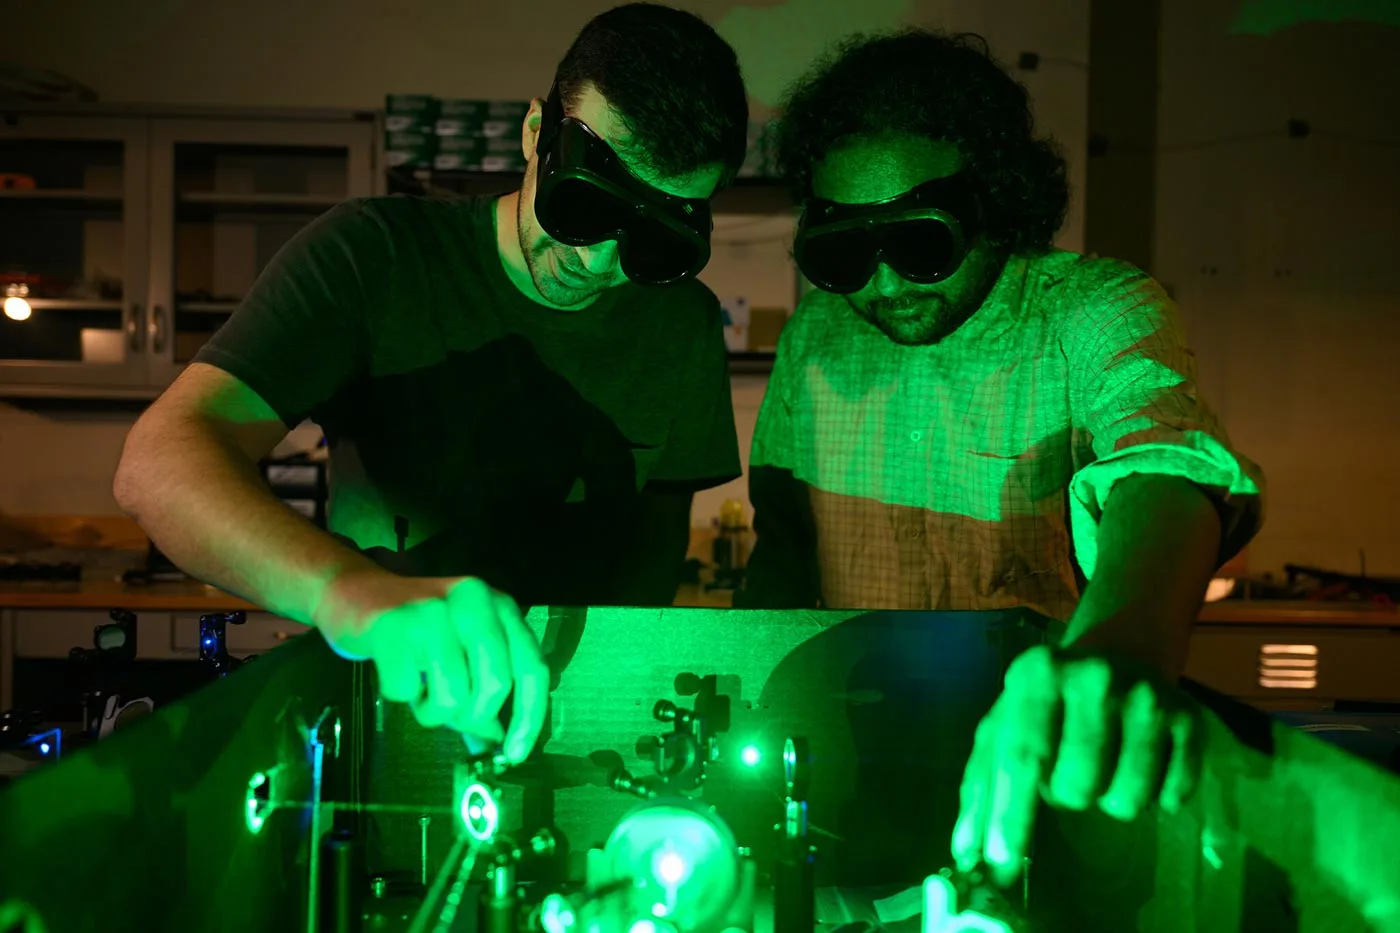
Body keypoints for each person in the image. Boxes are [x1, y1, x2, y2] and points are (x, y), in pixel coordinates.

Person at [113, 3, 749, 765]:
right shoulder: (372, 258)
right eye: (584, 207)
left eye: (652, 242)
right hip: (383, 723)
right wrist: (345, 592)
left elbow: (652, 555)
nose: (599, 264)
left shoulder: (682, 322)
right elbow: (158, 460)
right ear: (534, 133)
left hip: (581, 736)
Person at [740, 29, 1265, 885]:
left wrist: (1115, 658)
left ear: (998, 200)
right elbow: (780, 557)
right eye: (845, 252)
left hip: (1047, 802)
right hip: (853, 798)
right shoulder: (815, 341)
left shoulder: (1090, 310)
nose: (883, 285)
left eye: (918, 244)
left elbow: (1166, 470)